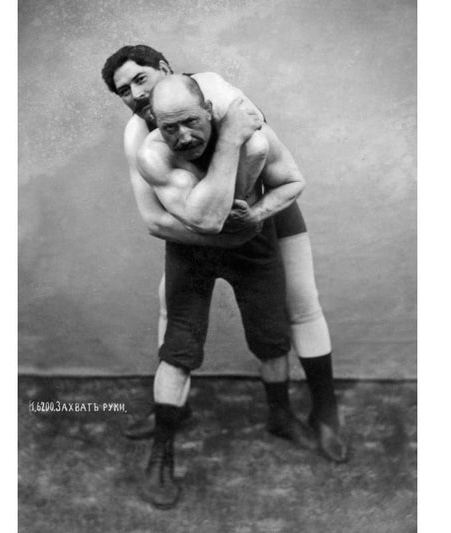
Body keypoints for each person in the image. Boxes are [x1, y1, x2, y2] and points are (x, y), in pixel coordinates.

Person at [101, 45, 347, 463]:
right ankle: (173, 408)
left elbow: (263, 146)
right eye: (124, 90)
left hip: (261, 203)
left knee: (301, 304)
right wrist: (221, 237)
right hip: (201, 224)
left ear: (166, 69)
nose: (136, 94)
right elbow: (156, 221)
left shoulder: (214, 90)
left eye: (141, 79)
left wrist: (253, 216)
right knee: (174, 312)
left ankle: (326, 415)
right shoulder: (139, 137)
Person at [134, 73, 318, 508]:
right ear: (155, 124)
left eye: (191, 122)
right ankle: (160, 453)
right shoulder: (154, 156)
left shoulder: (255, 136)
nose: (183, 136)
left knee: (272, 335)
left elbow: (293, 181)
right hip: (192, 248)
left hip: (251, 238)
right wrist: (231, 143)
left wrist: (257, 214)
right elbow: (207, 220)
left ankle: (281, 416)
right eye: (170, 127)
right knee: (179, 346)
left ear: (209, 111)